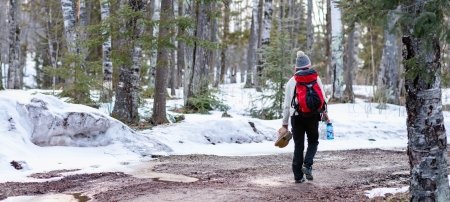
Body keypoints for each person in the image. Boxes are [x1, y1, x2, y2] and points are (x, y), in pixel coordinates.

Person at [279, 51, 326, 183]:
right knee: (313, 141)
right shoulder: (316, 78)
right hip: (313, 115)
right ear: (309, 65)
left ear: (296, 67)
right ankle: (307, 164)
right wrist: (325, 113)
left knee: (298, 145)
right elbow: (322, 97)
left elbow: (287, 105)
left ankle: (298, 176)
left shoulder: (291, 82)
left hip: (297, 117)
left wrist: (284, 123)